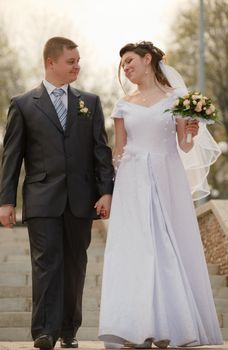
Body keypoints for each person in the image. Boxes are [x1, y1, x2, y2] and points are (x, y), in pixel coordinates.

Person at [98, 41, 223, 348]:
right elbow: (119, 151)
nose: (126, 68)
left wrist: (191, 132)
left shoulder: (177, 98)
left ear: (147, 59)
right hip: (131, 181)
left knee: (167, 248)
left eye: (129, 61)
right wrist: (111, 188)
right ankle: (135, 328)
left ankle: (171, 328)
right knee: (137, 251)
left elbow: (184, 146)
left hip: (167, 177)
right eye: (122, 65)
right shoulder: (123, 104)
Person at [0, 36, 114, 350]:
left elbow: (100, 152)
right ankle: (44, 331)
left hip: (81, 200)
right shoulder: (23, 104)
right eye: (71, 61)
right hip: (41, 199)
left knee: (75, 265)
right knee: (46, 264)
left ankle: (69, 329)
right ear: (51, 63)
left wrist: (106, 192)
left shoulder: (90, 102)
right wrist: (6, 201)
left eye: (78, 60)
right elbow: (12, 156)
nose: (78, 65)